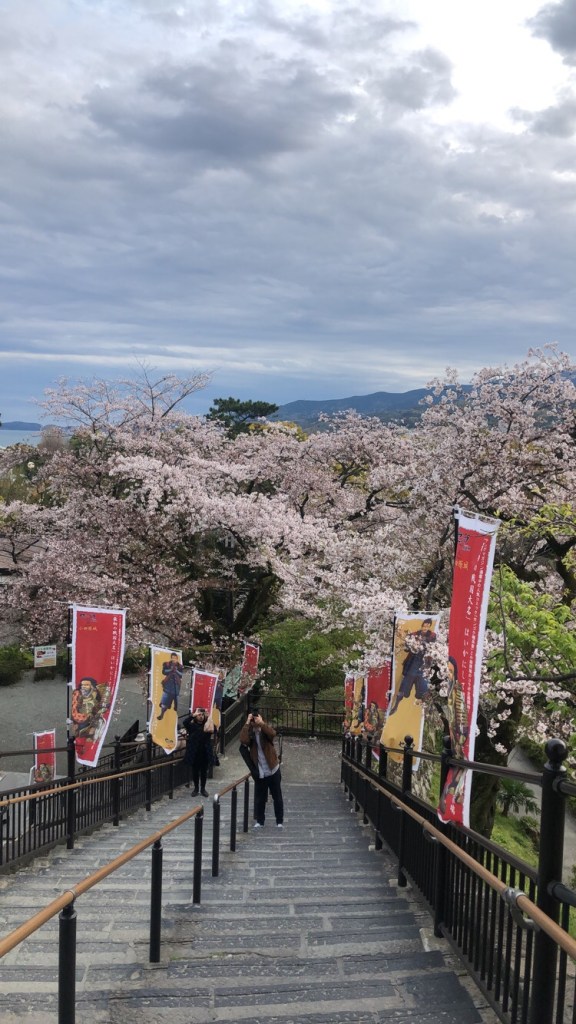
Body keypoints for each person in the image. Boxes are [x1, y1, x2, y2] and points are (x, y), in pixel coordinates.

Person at [239, 708, 284, 829]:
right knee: (260, 798)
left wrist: (262, 724)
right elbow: (243, 740)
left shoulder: (264, 731)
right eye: (253, 719)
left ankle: (279, 821)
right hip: (260, 771)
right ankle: (260, 821)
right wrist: (247, 722)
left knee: (277, 796)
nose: (254, 721)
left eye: (255, 718)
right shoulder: (250, 733)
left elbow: (272, 734)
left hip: (273, 769)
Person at [388, 618, 437, 716]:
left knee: (424, 688)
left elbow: (433, 647)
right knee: (404, 685)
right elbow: (406, 648)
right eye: (424, 625)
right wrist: (410, 644)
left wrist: (423, 646)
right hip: (413, 662)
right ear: (422, 625)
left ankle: (428, 710)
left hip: (424, 664)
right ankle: (395, 706)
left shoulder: (432, 635)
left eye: (428, 626)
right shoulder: (414, 634)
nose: (425, 628)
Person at [182, 707, 214, 797]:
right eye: (199, 715)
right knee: (195, 771)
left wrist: (208, 717)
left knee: (204, 771)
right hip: (194, 751)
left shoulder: (207, 724)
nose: (201, 716)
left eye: (202, 715)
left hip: (205, 751)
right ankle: (196, 788)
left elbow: (214, 729)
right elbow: (185, 722)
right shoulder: (192, 726)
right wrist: (193, 715)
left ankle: (203, 789)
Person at [157, 652, 183, 720]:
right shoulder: (167, 664)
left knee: (176, 700)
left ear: (177, 658)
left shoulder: (180, 666)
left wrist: (176, 671)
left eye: (175, 658)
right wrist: (171, 670)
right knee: (165, 699)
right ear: (171, 658)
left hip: (176, 685)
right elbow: (164, 672)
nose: (174, 659)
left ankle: (176, 715)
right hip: (168, 684)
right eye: (172, 657)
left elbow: (181, 675)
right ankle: (161, 714)